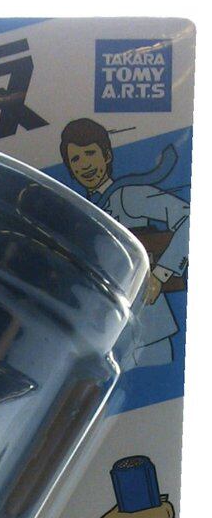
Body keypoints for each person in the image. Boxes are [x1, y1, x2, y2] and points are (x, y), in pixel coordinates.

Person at [60, 118, 189, 367]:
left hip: (149, 336)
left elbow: (188, 217)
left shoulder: (126, 196)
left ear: (107, 156)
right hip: (102, 341)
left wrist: (160, 274)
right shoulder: (82, 212)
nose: (84, 164)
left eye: (90, 153)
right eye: (75, 159)